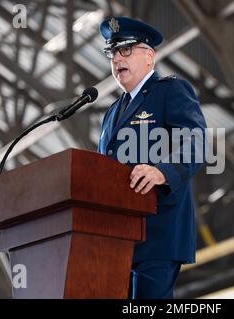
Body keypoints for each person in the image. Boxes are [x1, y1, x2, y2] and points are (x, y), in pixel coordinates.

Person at [98, 16, 207, 299]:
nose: (117, 59)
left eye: (126, 50)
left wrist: (163, 170)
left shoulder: (170, 91)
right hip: (118, 237)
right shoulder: (111, 112)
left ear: (149, 56)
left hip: (158, 229)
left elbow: (196, 141)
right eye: (112, 52)